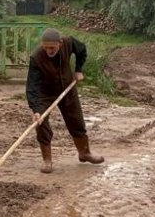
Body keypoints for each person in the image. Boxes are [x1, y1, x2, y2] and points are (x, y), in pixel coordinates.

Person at [26, 28, 104, 173]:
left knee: (77, 120)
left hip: (67, 88)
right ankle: (47, 160)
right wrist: (36, 109)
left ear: (60, 43)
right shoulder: (36, 58)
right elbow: (32, 86)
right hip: (45, 93)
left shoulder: (69, 42)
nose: (49, 51)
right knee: (40, 122)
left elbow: (81, 50)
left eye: (52, 47)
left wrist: (79, 69)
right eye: (46, 47)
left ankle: (84, 153)